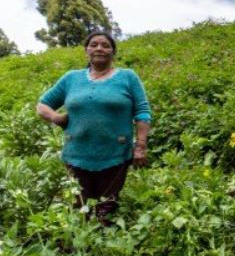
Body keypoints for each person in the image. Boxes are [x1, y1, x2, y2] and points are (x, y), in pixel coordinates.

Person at [36, 30, 151, 226]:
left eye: (105, 45)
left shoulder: (128, 77)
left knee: (107, 207)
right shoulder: (71, 78)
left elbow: (142, 111)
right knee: (78, 206)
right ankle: (79, 245)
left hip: (115, 155)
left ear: (113, 52)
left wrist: (140, 146)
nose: (99, 48)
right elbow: (42, 105)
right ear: (86, 51)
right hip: (76, 155)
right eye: (94, 44)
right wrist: (57, 118)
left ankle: (104, 246)